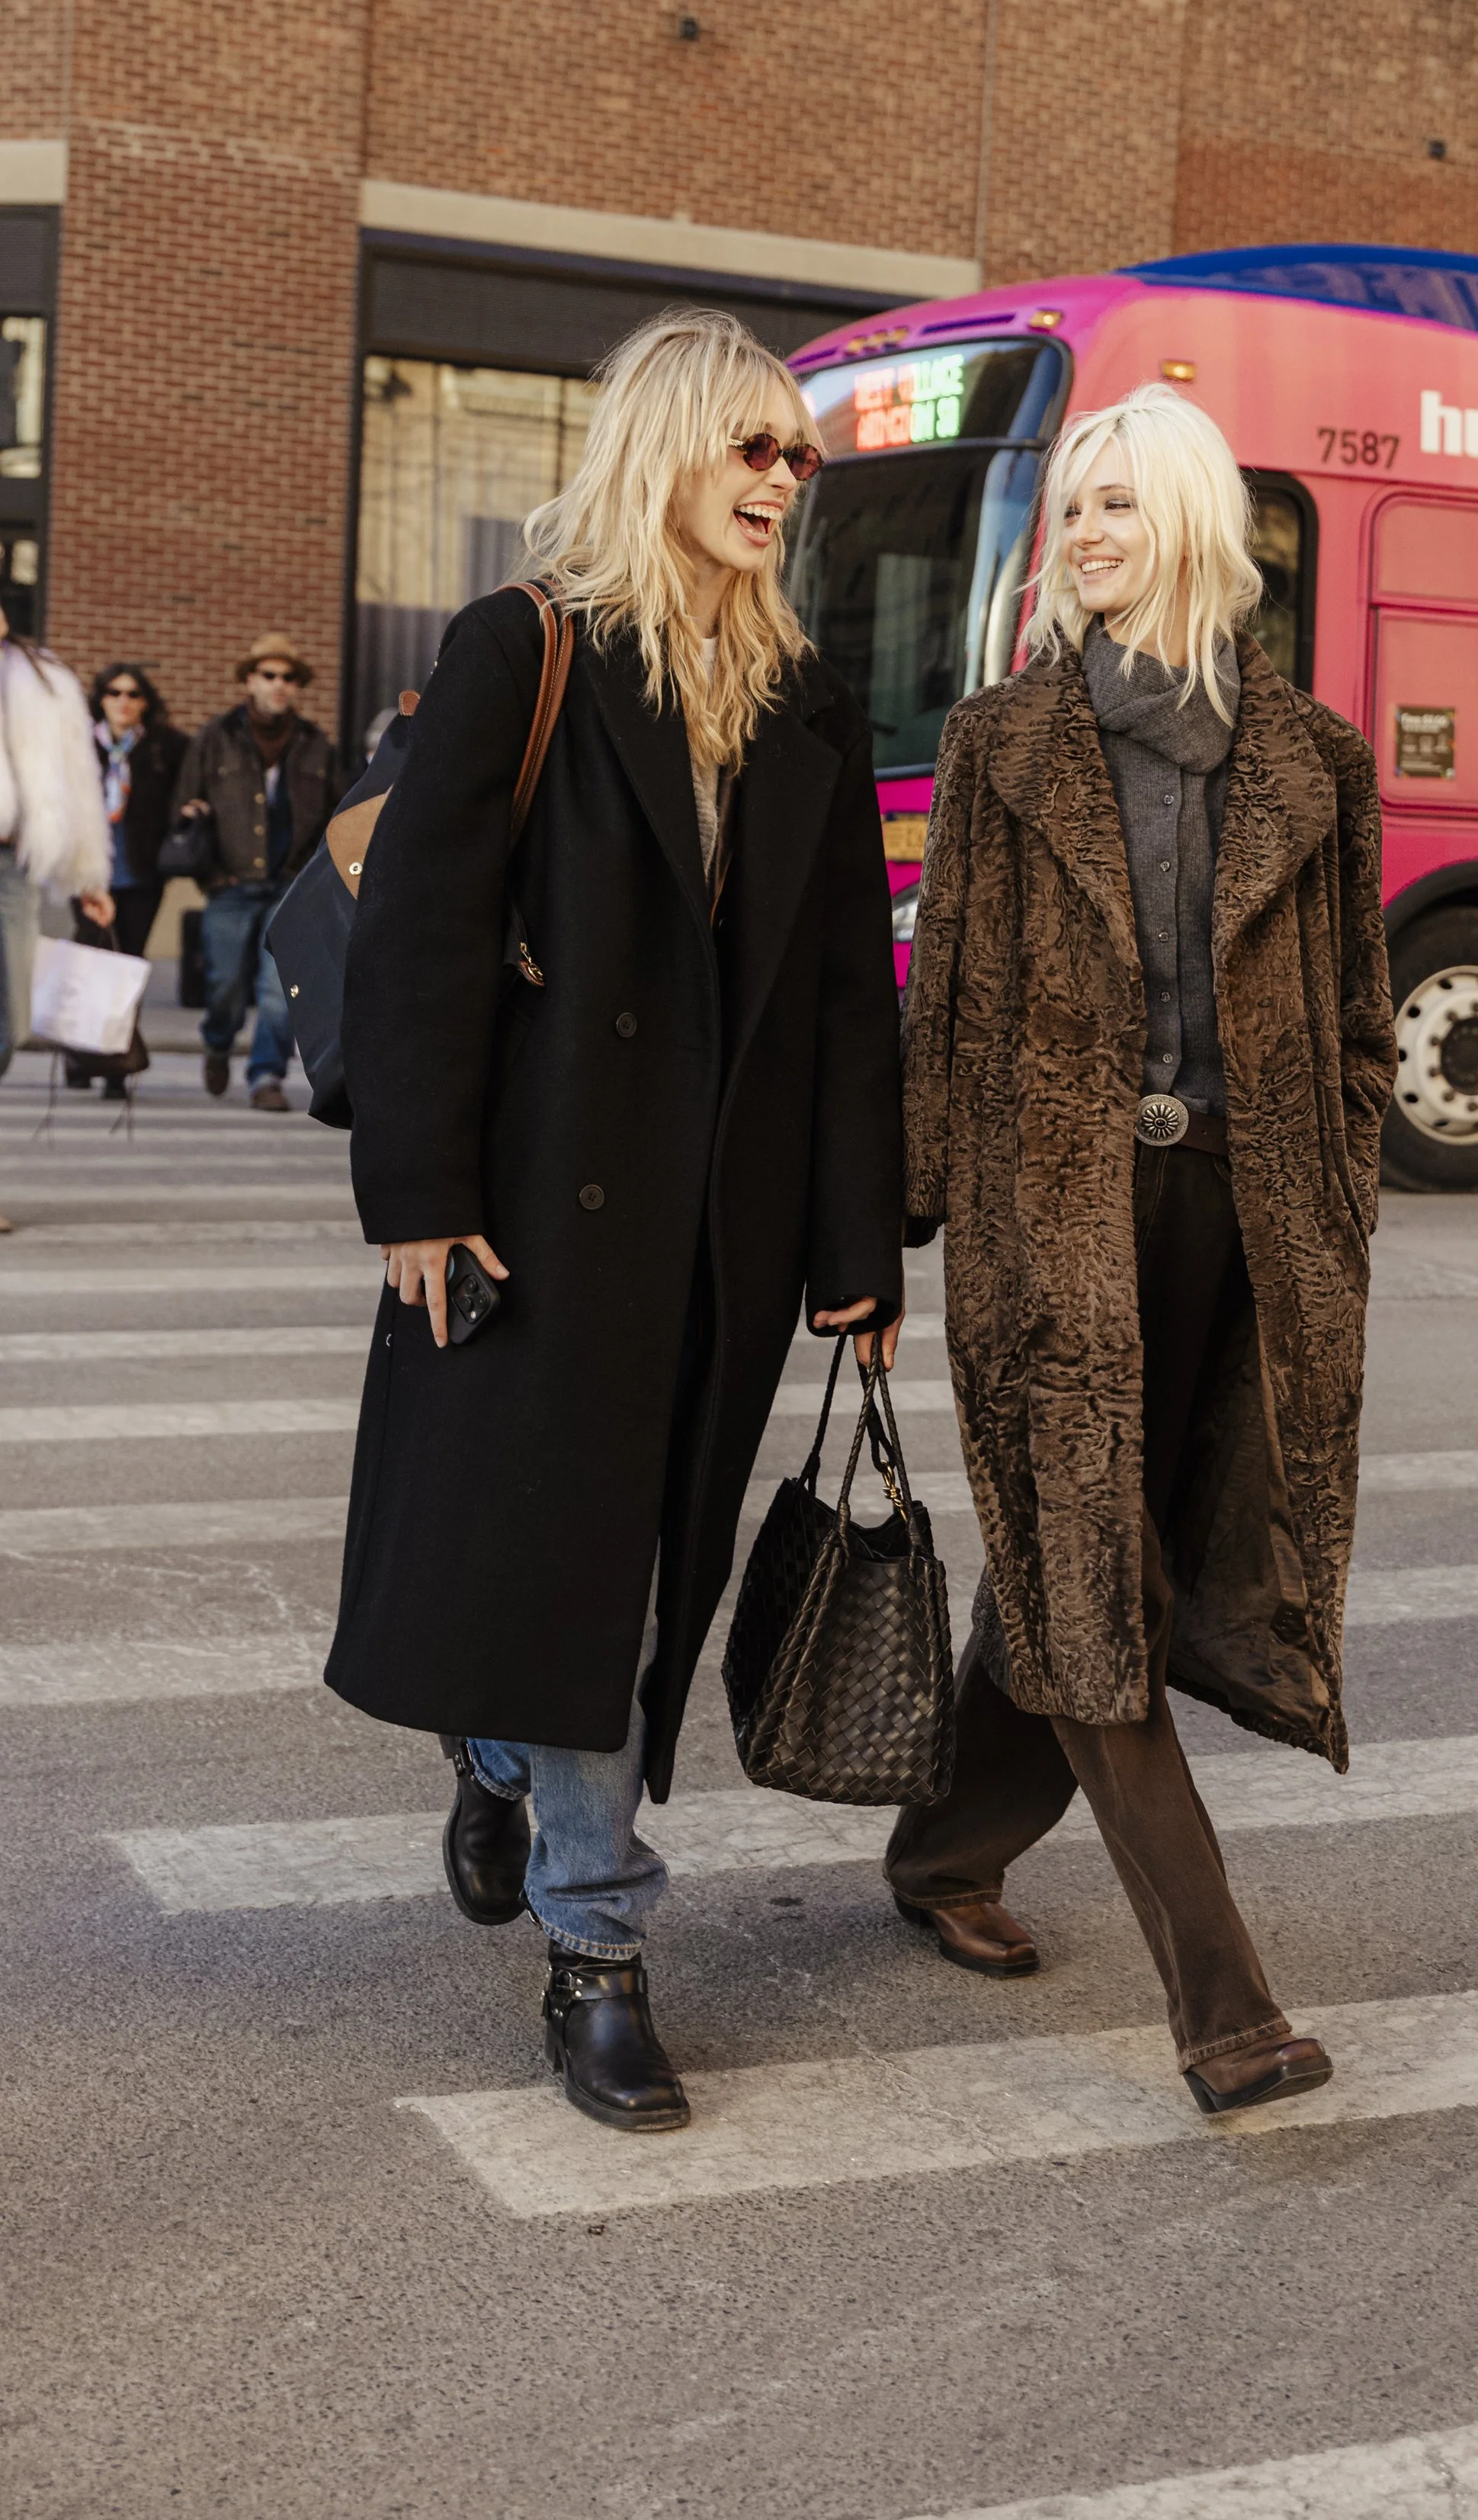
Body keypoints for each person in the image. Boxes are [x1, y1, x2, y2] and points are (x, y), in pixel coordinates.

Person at [326, 309, 904, 2133]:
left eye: (797, 456)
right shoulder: (531, 649)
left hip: (717, 1238)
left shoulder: (807, 692)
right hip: (539, 1215)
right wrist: (416, 1190)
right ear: (663, 447)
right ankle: (600, 1952)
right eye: (752, 448)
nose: (781, 482)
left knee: (639, 1587)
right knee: (571, 1571)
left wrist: (855, 1246)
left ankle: (498, 1750)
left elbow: (837, 1002)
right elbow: (420, 927)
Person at [886, 383, 1394, 2116]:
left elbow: (1356, 1026)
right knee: (1094, 1578)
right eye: (1073, 508)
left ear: (1185, 517)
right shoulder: (1000, 743)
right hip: (1057, 1225)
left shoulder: (1312, 758)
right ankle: (1225, 2005)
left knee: (1094, 1558)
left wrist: (1337, 1190)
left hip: (1241, 1232)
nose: (1082, 532)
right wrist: (894, 1227)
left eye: (1112, 503)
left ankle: (941, 1846)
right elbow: (945, 997)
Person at [172, 632, 342, 1110]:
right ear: (250, 680)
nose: (279, 685)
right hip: (229, 884)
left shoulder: (314, 744)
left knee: (280, 991)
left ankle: (266, 1075)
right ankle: (219, 1041)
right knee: (224, 985)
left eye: (289, 677)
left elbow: (336, 816)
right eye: (269, 675)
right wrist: (208, 872)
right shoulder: (215, 736)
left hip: (291, 887)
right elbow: (181, 807)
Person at [0, 612, 114, 1219]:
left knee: (8, 1023)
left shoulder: (43, 678)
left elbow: (74, 783)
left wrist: (87, 876)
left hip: (10, 872)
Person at [66, 661, 188, 1098]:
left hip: (140, 877)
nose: (123, 701)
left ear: (145, 703)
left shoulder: (165, 748)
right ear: (100, 699)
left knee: (125, 966)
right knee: (87, 965)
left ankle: (116, 1066)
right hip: (85, 874)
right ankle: (80, 1057)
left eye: (134, 694)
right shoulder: (79, 745)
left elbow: (186, 792)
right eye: (115, 693)